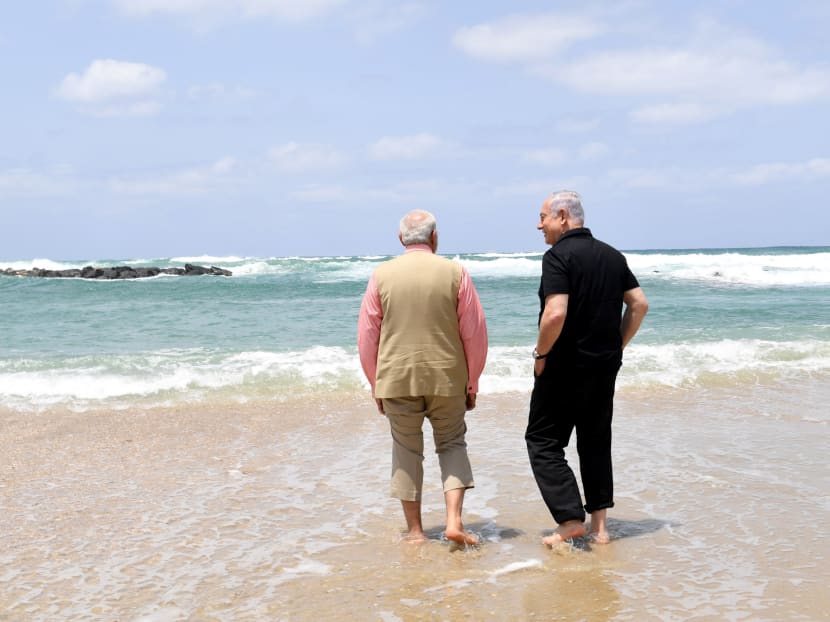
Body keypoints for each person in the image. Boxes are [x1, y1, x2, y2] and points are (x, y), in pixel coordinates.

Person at [358, 209, 488, 546]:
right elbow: (473, 333)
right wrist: (472, 381)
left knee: (405, 450)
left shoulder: (381, 275)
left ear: (400, 239)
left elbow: (367, 336)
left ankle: (415, 533)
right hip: (447, 376)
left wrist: (376, 384)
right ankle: (454, 522)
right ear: (434, 237)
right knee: (452, 443)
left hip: (397, 377)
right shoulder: (455, 272)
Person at [527, 190, 648, 547]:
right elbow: (639, 305)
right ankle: (600, 528)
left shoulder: (557, 257)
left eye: (543, 217)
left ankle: (568, 519)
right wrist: (616, 346)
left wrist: (540, 355)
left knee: (543, 441)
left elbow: (556, 312)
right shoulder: (612, 255)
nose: (539, 225)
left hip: (564, 367)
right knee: (595, 441)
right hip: (603, 367)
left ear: (563, 216)